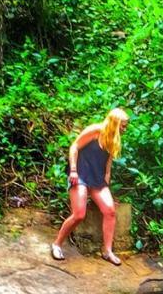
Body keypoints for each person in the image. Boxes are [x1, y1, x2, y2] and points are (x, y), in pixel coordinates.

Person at [50, 107, 129, 264]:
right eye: (123, 125)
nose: (124, 128)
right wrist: (73, 170)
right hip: (80, 174)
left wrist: (107, 182)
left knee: (110, 210)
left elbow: (108, 163)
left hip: (97, 177)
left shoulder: (115, 138)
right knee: (79, 214)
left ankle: (107, 251)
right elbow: (74, 147)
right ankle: (57, 244)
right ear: (114, 122)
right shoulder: (95, 130)